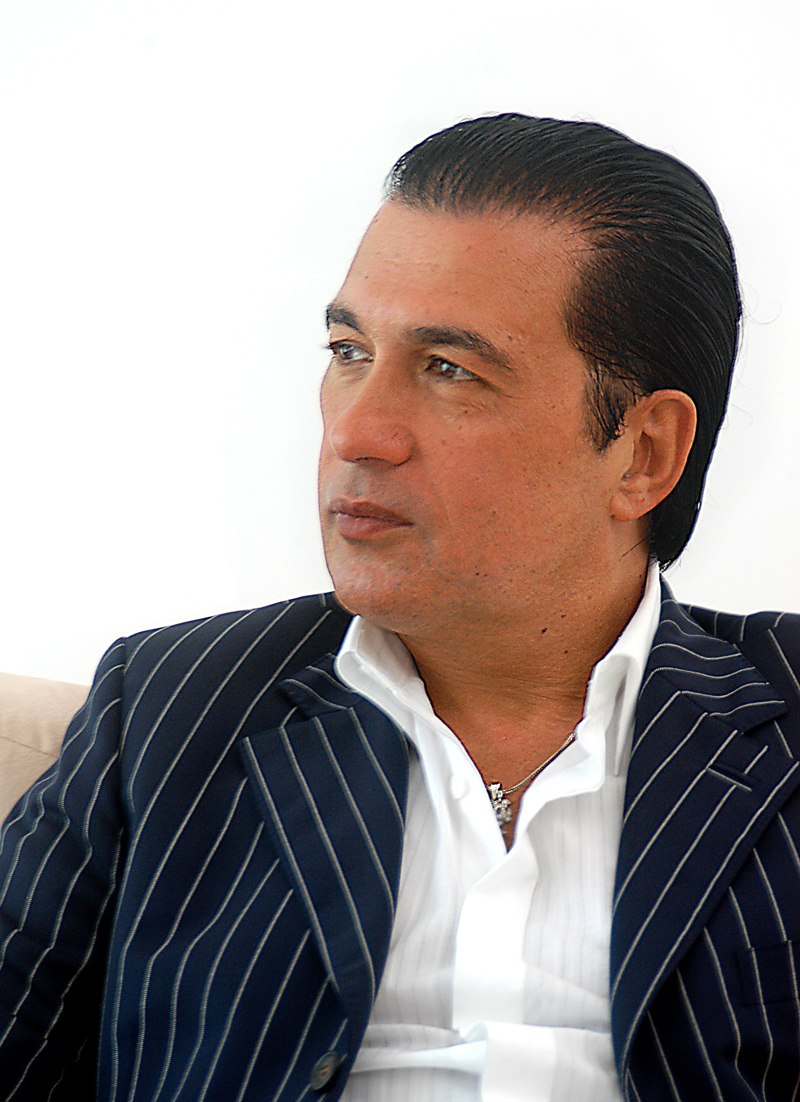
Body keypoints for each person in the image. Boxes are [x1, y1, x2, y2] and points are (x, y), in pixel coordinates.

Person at [1, 114, 798, 1102]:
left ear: (643, 453)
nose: (358, 431)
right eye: (348, 350)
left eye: (449, 369)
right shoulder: (170, 706)